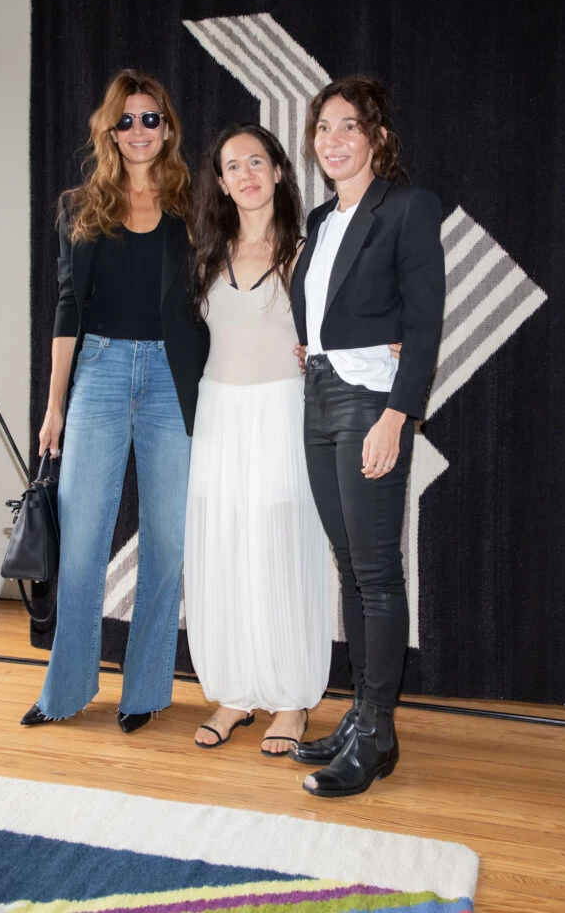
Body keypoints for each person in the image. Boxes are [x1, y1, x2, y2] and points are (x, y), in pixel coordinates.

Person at [22, 70, 209, 731]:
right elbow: (67, 310)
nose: (138, 131)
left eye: (149, 118)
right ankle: (65, 691)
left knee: (166, 540)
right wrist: (54, 407)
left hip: (170, 379)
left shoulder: (196, 203)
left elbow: (223, 293)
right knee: (81, 541)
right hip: (98, 372)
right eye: (125, 120)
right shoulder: (80, 205)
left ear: (168, 127)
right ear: (109, 129)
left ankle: (144, 693)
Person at [288, 75, 445, 796]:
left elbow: (424, 324)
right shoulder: (320, 221)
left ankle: (378, 734)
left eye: (349, 126)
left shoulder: (408, 208)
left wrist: (396, 414)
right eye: (323, 128)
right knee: (351, 568)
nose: (334, 140)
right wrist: (311, 345)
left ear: (377, 137)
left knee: (377, 573)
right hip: (319, 398)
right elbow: (322, 307)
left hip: (370, 404)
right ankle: (360, 715)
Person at [183, 124, 331, 755]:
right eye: (231, 166)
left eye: (256, 162)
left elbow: (335, 334)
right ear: (219, 182)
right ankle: (236, 693)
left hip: (280, 414)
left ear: (277, 171)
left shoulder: (305, 252)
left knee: (281, 544)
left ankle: (292, 699)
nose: (245, 174)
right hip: (219, 414)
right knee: (227, 544)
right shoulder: (204, 254)